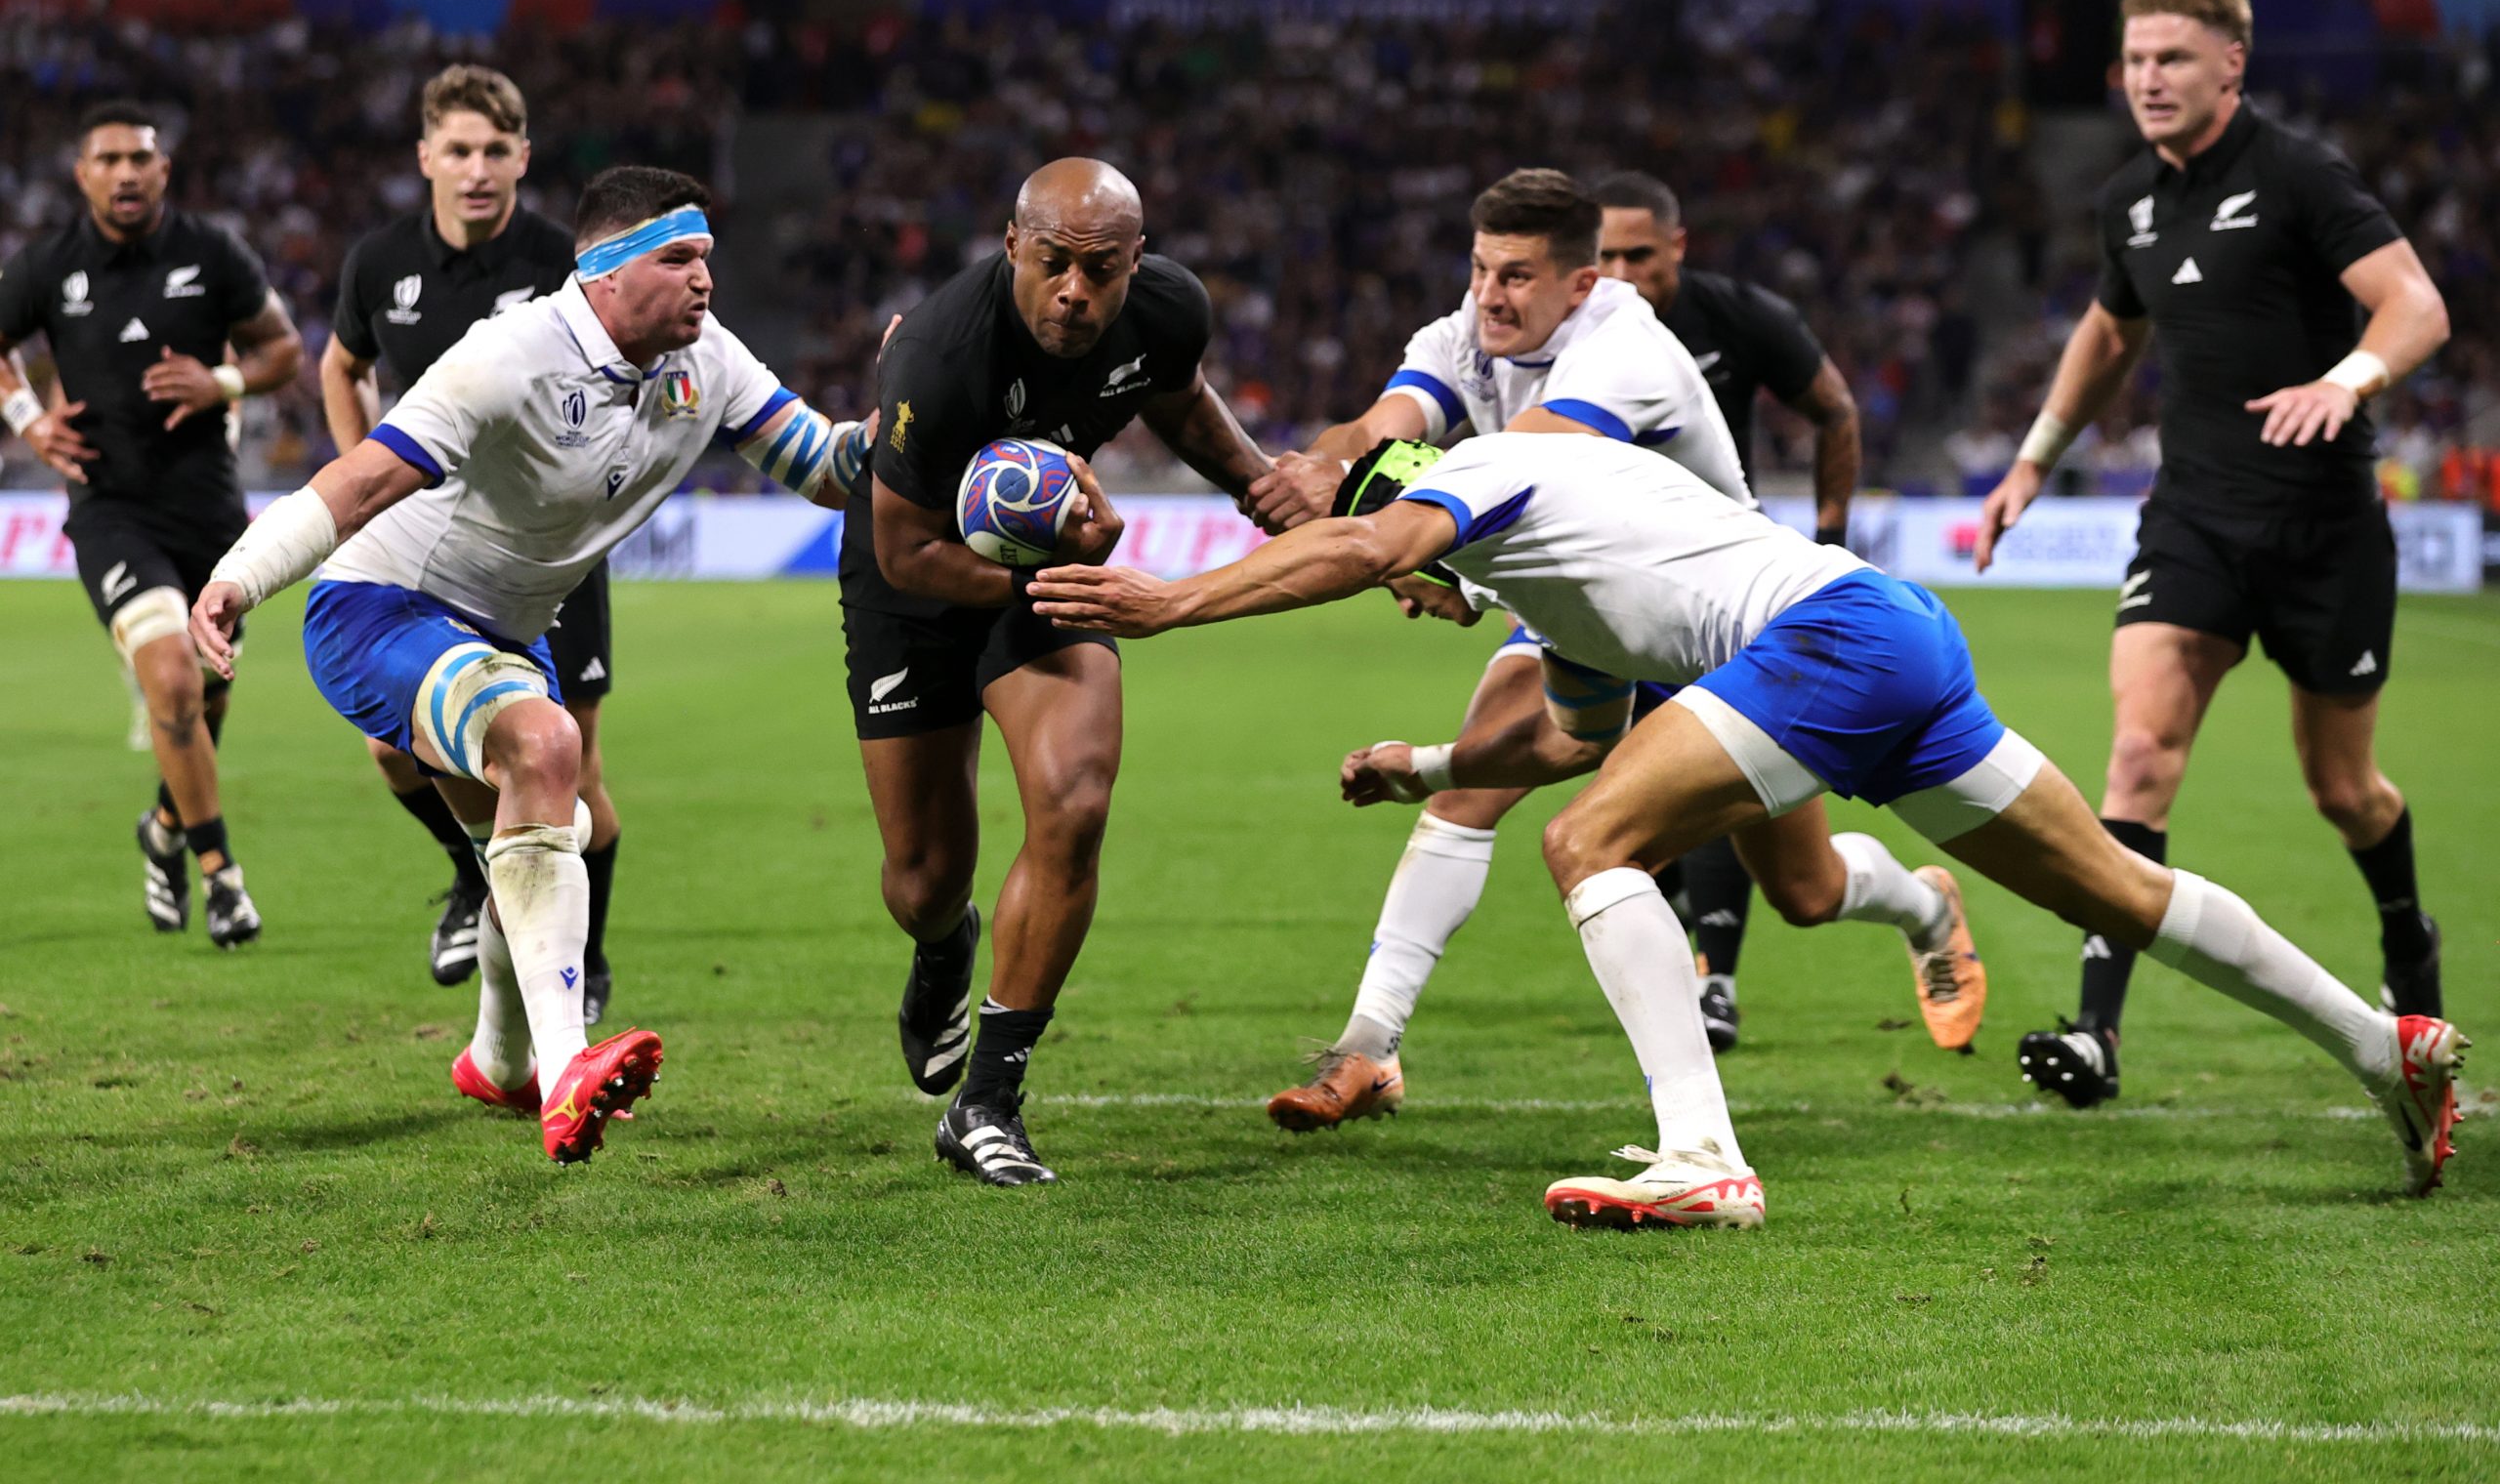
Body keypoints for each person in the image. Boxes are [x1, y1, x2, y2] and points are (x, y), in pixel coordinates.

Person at [1032, 433, 2467, 1225]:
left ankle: (1702, 1152)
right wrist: (1419, 766)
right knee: (2117, 888)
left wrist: (1168, 600)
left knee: (1586, 851)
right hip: (1892, 634)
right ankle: (2385, 1047)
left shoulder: (1466, 475)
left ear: (1410, 510)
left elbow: (1356, 543)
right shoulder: (1556, 575)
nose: (1401, 592)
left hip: (1833, 638)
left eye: (1404, 573)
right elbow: (1564, 737)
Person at [1240, 171, 1975, 1134]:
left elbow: (1527, 478)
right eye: (1479, 269)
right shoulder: (1465, 330)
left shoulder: (1621, 345)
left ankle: (1921, 907)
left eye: (1515, 274)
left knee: (1802, 888)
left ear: (1578, 283)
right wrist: (1325, 469)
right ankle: (1367, 1046)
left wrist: (1441, 570)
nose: (1490, 295)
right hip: (1583, 609)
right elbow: (1383, 427)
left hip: (1723, 615)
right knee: (1472, 790)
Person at [188, 165, 874, 1163]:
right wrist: (238, 578)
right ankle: (565, 1073)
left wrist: (911, 419)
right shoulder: (509, 355)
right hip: (381, 608)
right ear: (603, 272)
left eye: (707, 259)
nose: (703, 281)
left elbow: (825, 467)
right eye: (677, 258)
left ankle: (498, 1060)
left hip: (504, 636)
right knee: (547, 748)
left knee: (531, 837)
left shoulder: (709, 360)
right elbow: (362, 477)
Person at [1976, 0, 2453, 1108]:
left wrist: (2348, 378)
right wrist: (2034, 457)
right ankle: (2094, 1035)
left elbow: (2416, 304)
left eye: (2172, 59)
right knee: (2138, 756)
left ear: (2230, 64)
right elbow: (2108, 328)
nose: (2148, 79)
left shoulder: (2299, 174)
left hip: (2321, 526)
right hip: (2191, 516)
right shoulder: (2128, 200)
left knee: (2344, 791)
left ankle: (2408, 945)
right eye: (2134, 62)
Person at [850, 157, 1271, 1186]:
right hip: (917, 579)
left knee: (1074, 801)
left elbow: (1176, 400)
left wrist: (1259, 482)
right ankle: (944, 945)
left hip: (1047, 569)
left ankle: (988, 1100)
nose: (1076, 292)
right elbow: (904, 551)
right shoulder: (942, 356)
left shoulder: (1166, 309)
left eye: (1101, 269)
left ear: (1138, 260)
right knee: (921, 879)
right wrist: (1070, 557)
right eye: (1054, 265)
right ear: (1012, 247)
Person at [321, 64, 631, 1016]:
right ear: (426, 157)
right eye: (458, 149)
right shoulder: (379, 263)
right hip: (425, 555)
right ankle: (470, 876)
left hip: (547, 556)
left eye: (496, 150)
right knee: (393, 751)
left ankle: (585, 961)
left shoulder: (565, 263)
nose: (477, 168)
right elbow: (342, 365)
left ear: (523, 157)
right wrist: (366, 479)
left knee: (571, 772)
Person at [0, 101, 304, 946]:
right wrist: (28, 417)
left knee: (206, 698)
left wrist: (223, 383)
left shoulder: (213, 254)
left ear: (163, 171)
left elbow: (283, 349)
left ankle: (165, 828)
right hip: (110, 508)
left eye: (141, 157)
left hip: (209, 506)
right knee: (171, 679)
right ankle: (223, 877)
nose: (126, 172)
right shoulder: (48, 265)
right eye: (109, 159)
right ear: (82, 173)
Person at [1591, 170, 1866, 1051]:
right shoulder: (1567, 334)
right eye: (1605, 256)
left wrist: (1829, 532)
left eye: (1641, 252)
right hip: (1595, 584)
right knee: (1616, 780)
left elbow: (1834, 409)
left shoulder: (1739, 317)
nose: (1624, 271)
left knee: (1709, 767)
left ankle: (1716, 979)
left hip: (1712, 577)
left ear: (1678, 245)